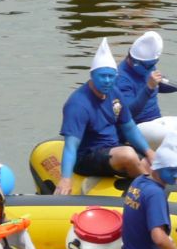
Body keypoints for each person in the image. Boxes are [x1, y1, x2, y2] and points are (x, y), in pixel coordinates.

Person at [56, 38, 157, 195]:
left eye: (111, 76)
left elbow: (129, 127)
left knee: (156, 164)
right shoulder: (78, 104)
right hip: (87, 157)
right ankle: (150, 190)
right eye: (102, 76)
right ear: (92, 75)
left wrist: (149, 152)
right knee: (128, 154)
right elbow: (70, 146)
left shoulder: (114, 93)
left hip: (112, 148)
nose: (107, 81)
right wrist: (65, 178)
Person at [115, 30, 177, 171]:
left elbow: (161, 83)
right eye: (149, 65)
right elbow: (128, 113)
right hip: (137, 129)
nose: (152, 68)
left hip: (157, 122)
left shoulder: (145, 66)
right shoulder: (121, 79)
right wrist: (149, 88)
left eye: (154, 63)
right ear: (135, 62)